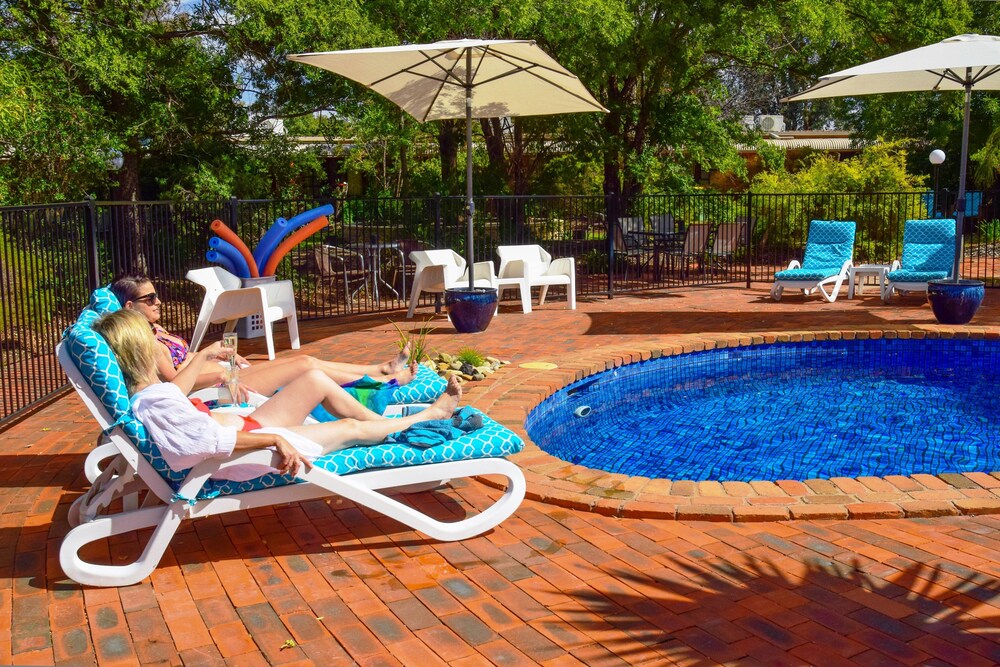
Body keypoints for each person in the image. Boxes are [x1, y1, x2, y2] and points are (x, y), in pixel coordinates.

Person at [92, 309, 462, 481]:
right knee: (349, 426)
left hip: (250, 428)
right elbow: (196, 444)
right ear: (140, 352)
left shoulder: (149, 394)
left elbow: (174, 392)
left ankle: (386, 420)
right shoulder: (153, 402)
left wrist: (204, 355)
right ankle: (425, 418)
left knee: (314, 378)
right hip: (254, 450)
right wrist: (273, 439)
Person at [109, 275, 417, 402]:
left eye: (155, 296)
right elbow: (175, 387)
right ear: (130, 307)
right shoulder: (147, 344)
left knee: (304, 362)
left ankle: (380, 371)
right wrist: (219, 370)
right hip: (218, 388)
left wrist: (220, 355)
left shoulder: (155, 331)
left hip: (223, 375)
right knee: (304, 368)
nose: (158, 302)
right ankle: (381, 379)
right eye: (149, 299)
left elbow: (186, 362)